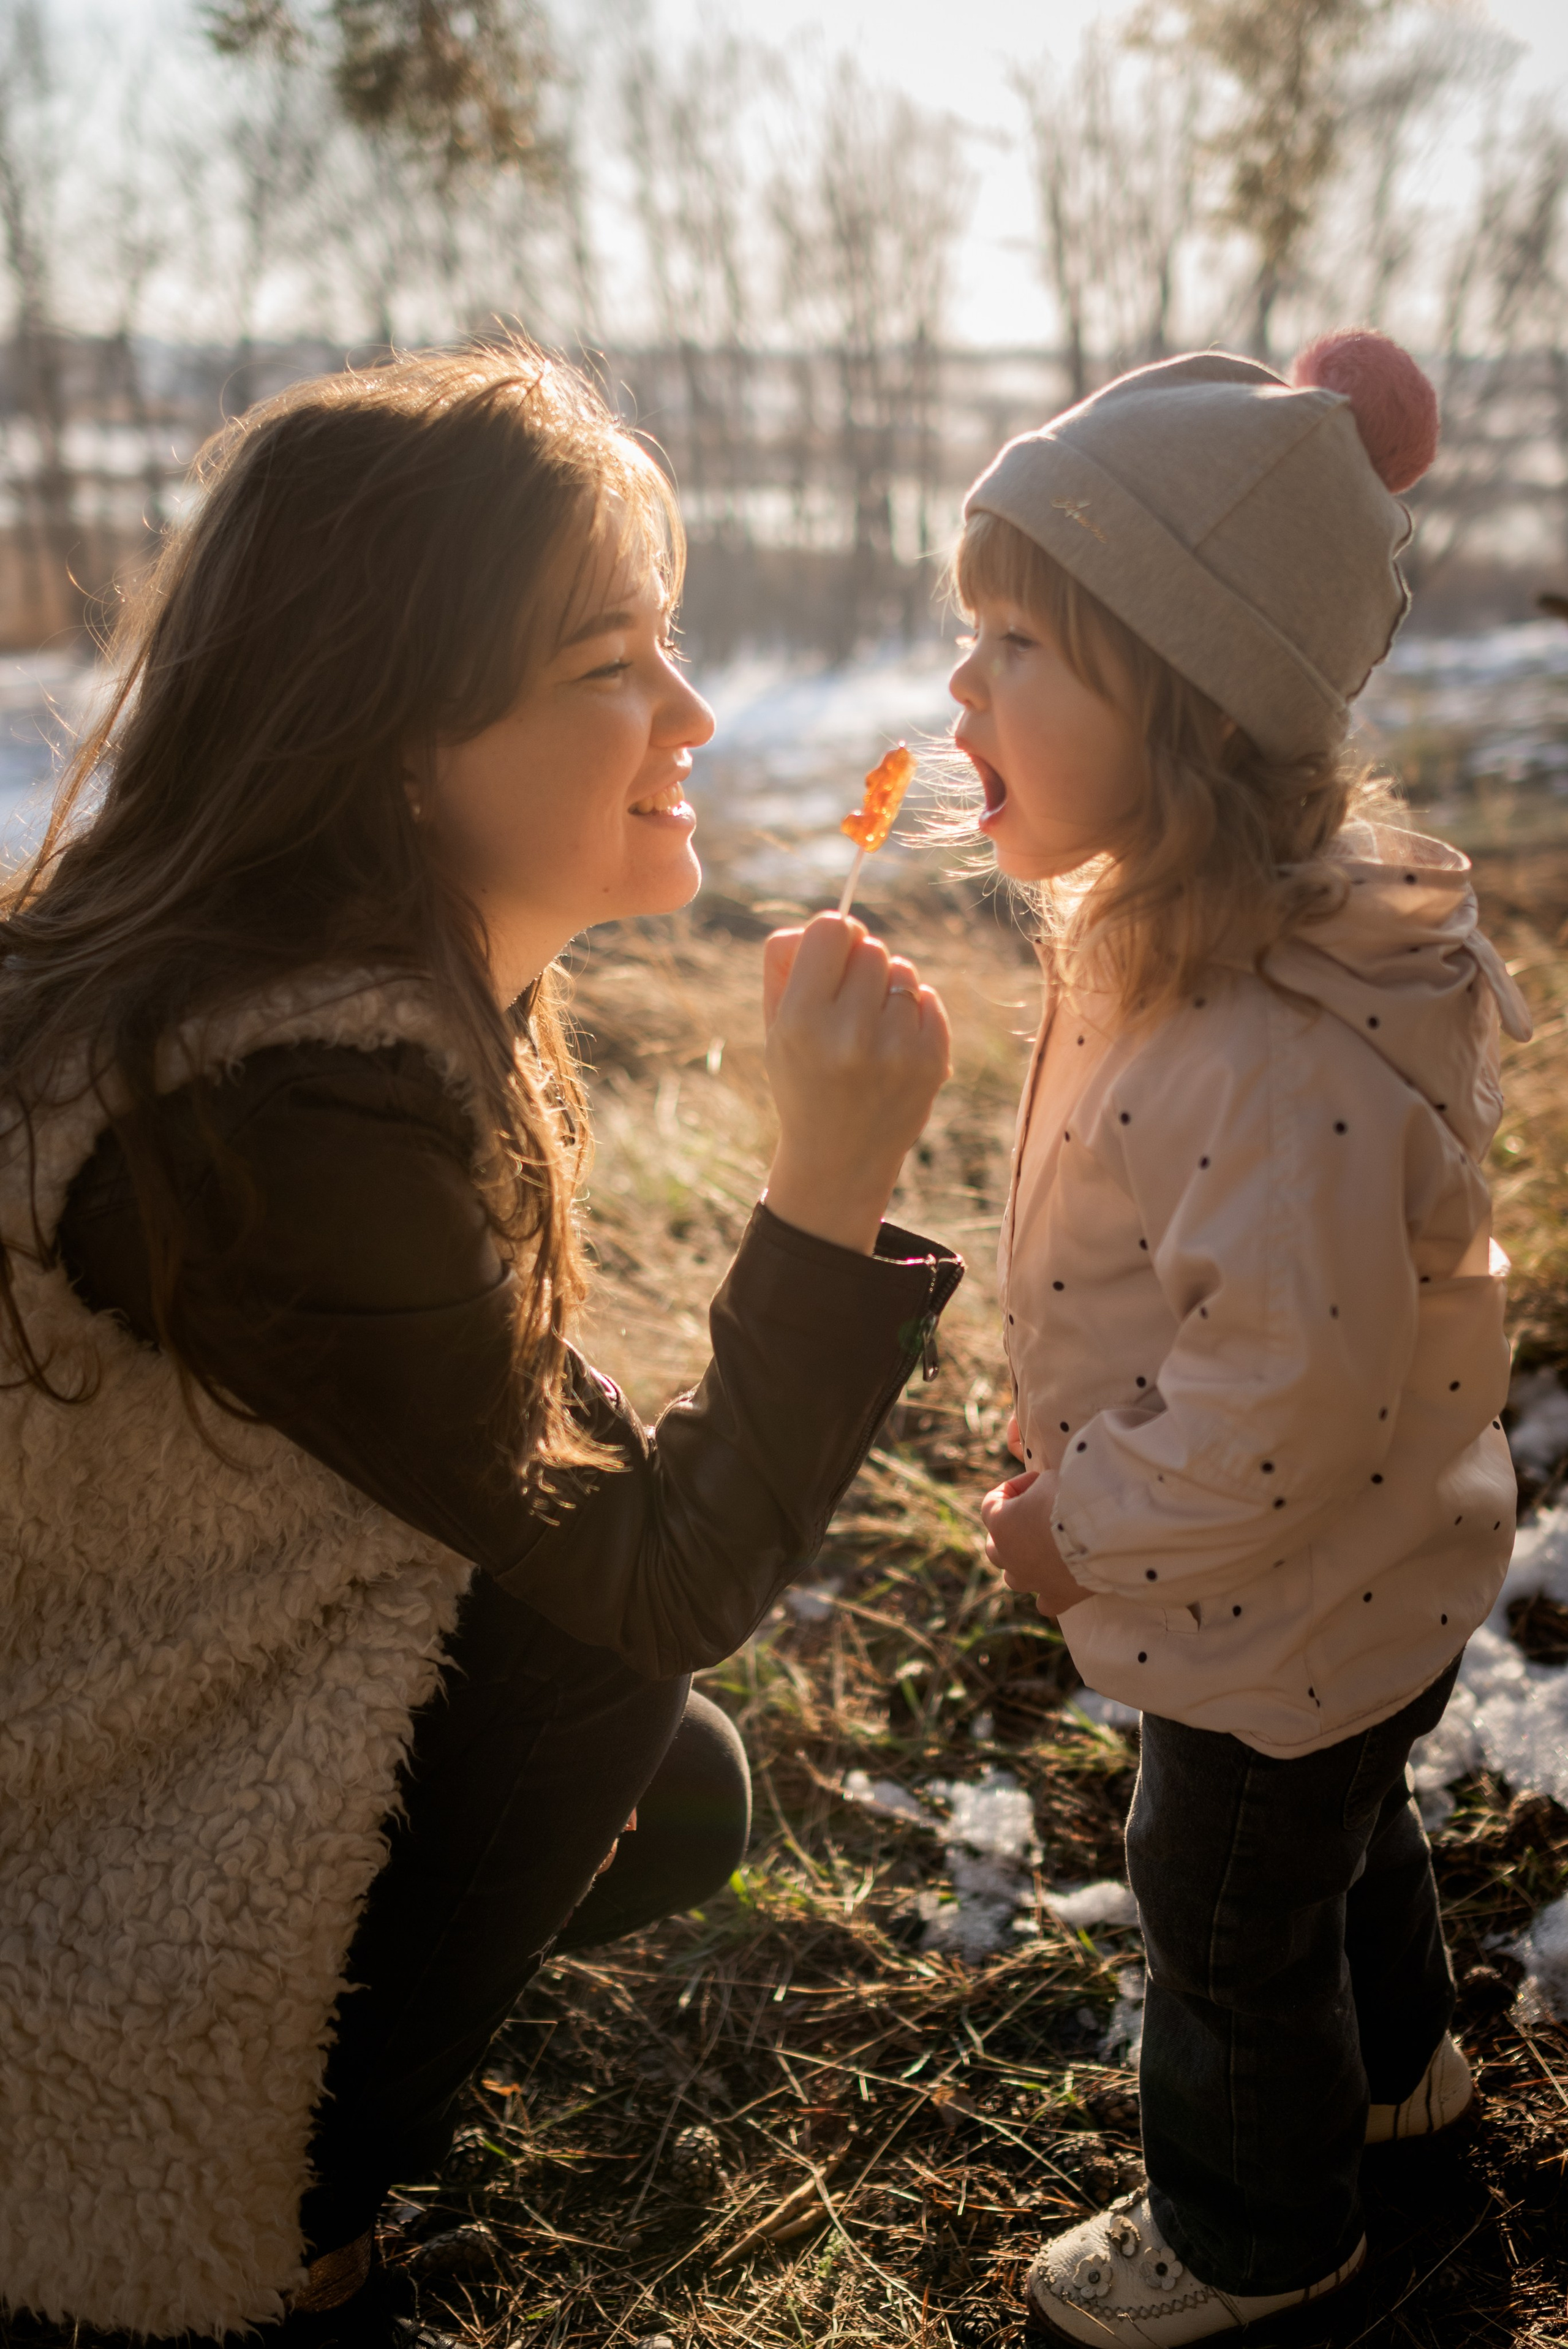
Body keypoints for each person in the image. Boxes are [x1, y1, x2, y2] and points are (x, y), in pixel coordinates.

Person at [0, 341, 960, 2348]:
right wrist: (826, 1196)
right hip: (56, 1895)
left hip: (85, 1745)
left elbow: (530, 1448)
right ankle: (250, 2229)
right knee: (592, 1657)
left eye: (668, 642)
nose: (690, 711)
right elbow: (655, 1570)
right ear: (392, 740)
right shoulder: (272, 1107)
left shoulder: (314, 988)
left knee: (675, 1788)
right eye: (610, 662)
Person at [956, 331, 1528, 2347]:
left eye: (1018, 646)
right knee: (1331, 1828)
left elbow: (1280, 1400)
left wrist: (1084, 1525)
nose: (960, 690)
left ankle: (1257, 2229)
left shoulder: (1270, 1044)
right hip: (1351, 1579)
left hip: (1272, 1578)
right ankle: (1397, 2077)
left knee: (1220, 1902)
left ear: (1184, 706)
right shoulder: (1185, 937)